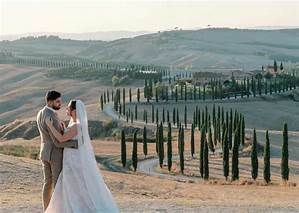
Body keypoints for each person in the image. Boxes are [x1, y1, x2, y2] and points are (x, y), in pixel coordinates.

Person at [44, 99, 119, 213]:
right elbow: (68, 136)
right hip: (70, 158)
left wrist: (50, 126)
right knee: (73, 184)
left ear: (74, 111)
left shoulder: (77, 125)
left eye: (69, 108)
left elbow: (61, 139)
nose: (67, 109)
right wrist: (64, 128)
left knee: (75, 184)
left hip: (74, 160)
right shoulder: (74, 124)